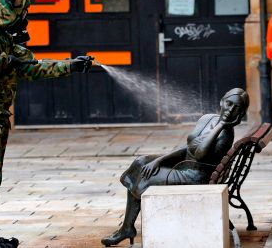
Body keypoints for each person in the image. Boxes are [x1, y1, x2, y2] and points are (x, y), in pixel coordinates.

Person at [0, 0, 93, 248]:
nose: (25, 17)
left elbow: (32, 68)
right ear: (11, 10)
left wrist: (71, 65)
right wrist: (8, 60)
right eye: (23, 12)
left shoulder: (4, 36)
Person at [101, 88, 249, 247]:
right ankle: (127, 227)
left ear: (239, 115)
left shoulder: (226, 134)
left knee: (143, 176)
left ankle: (126, 228)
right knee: (141, 162)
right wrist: (159, 160)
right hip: (186, 164)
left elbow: (199, 154)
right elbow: (188, 148)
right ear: (222, 101)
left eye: (237, 109)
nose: (230, 110)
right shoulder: (207, 118)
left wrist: (221, 126)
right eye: (229, 104)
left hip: (194, 175)